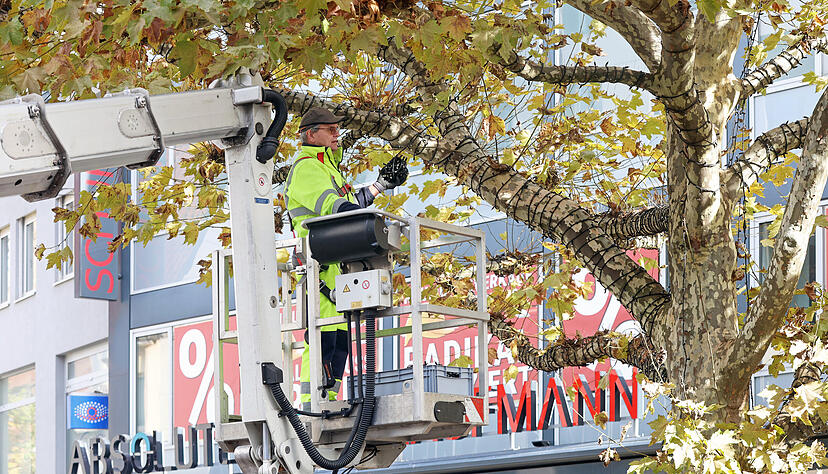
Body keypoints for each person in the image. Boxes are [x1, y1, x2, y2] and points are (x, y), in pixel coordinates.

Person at [284, 107, 407, 409]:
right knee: (324, 341)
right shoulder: (306, 167)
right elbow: (335, 207)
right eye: (331, 130)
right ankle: (312, 406)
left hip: (334, 267)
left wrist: (380, 185)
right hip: (319, 267)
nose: (337, 135)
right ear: (312, 135)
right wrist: (369, 217)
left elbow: (349, 203)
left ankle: (329, 401)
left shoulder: (328, 168)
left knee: (339, 345)